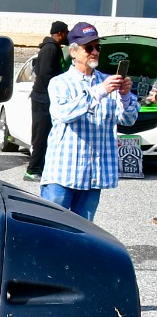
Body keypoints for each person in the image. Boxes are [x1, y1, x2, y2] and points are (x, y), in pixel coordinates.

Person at [40, 21, 138, 221]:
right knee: (49, 230)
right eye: (89, 47)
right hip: (63, 174)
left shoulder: (108, 82)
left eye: (97, 47)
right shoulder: (60, 83)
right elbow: (64, 113)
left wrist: (126, 95)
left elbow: (128, 120)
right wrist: (100, 92)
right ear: (74, 52)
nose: (94, 52)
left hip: (93, 175)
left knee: (83, 235)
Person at [23, 20, 69, 181]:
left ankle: (42, 168)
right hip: (43, 98)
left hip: (45, 98)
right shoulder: (50, 49)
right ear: (61, 33)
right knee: (41, 135)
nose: (68, 35)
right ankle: (32, 170)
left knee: (47, 135)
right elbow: (45, 75)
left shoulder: (52, 48)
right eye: (67, 32)